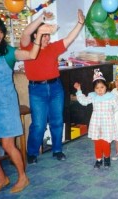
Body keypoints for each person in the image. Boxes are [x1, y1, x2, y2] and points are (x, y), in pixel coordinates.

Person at [0, 15, 53, 194]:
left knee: (8, 145)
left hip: (5, 105)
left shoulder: (7, 52)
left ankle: (22, 177)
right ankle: (2, 178)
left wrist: (39, 35)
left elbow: (32, 55)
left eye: (1, 31)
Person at [20, 9, 85, 164]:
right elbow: (25, 33)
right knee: (39, 124)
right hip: (37, 90)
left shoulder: (53, 48)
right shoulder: (27, 47)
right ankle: (32, 152)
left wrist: (80, 23)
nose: (47, 38)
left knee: (57, 120)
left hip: (56, 87)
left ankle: (57, 150)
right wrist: (41, 18)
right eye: (44, 34)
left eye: (48, 35)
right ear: (36, 35)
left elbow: (69, 39)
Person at [74, 69, 118, 169]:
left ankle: (106, 158)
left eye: (102, 87)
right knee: (97, 142)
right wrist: (79, 90)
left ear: (106, 87)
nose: (100, 90)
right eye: (97, 88)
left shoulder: (111, 97)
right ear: (94, 89)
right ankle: (98, 159)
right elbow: (84, 101)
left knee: (106, 142)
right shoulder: (93, 96)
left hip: (107, 124)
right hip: (96, 123)